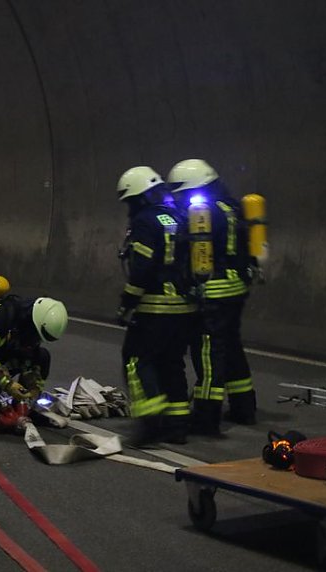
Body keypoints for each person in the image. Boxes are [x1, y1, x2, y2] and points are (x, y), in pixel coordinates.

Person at [167, 159, 256, 435]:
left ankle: (206, 417)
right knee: (232, 348)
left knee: (207, 354)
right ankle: (244, 408)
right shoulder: (233, 208)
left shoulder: (201, 213)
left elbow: (189, 255)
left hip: (213, 293)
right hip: (237, 288)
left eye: (179, 193)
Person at [115, 166, 197, 446]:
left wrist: (127, 303)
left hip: (155, 308)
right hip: (184, 308)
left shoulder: (144, 221)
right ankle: (177, 427)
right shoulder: (180, 216)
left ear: (139, 197)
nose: (129, 207)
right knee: (172, 364)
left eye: (130, 201)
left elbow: (142, 269)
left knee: (137, 359)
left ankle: (150, 423)